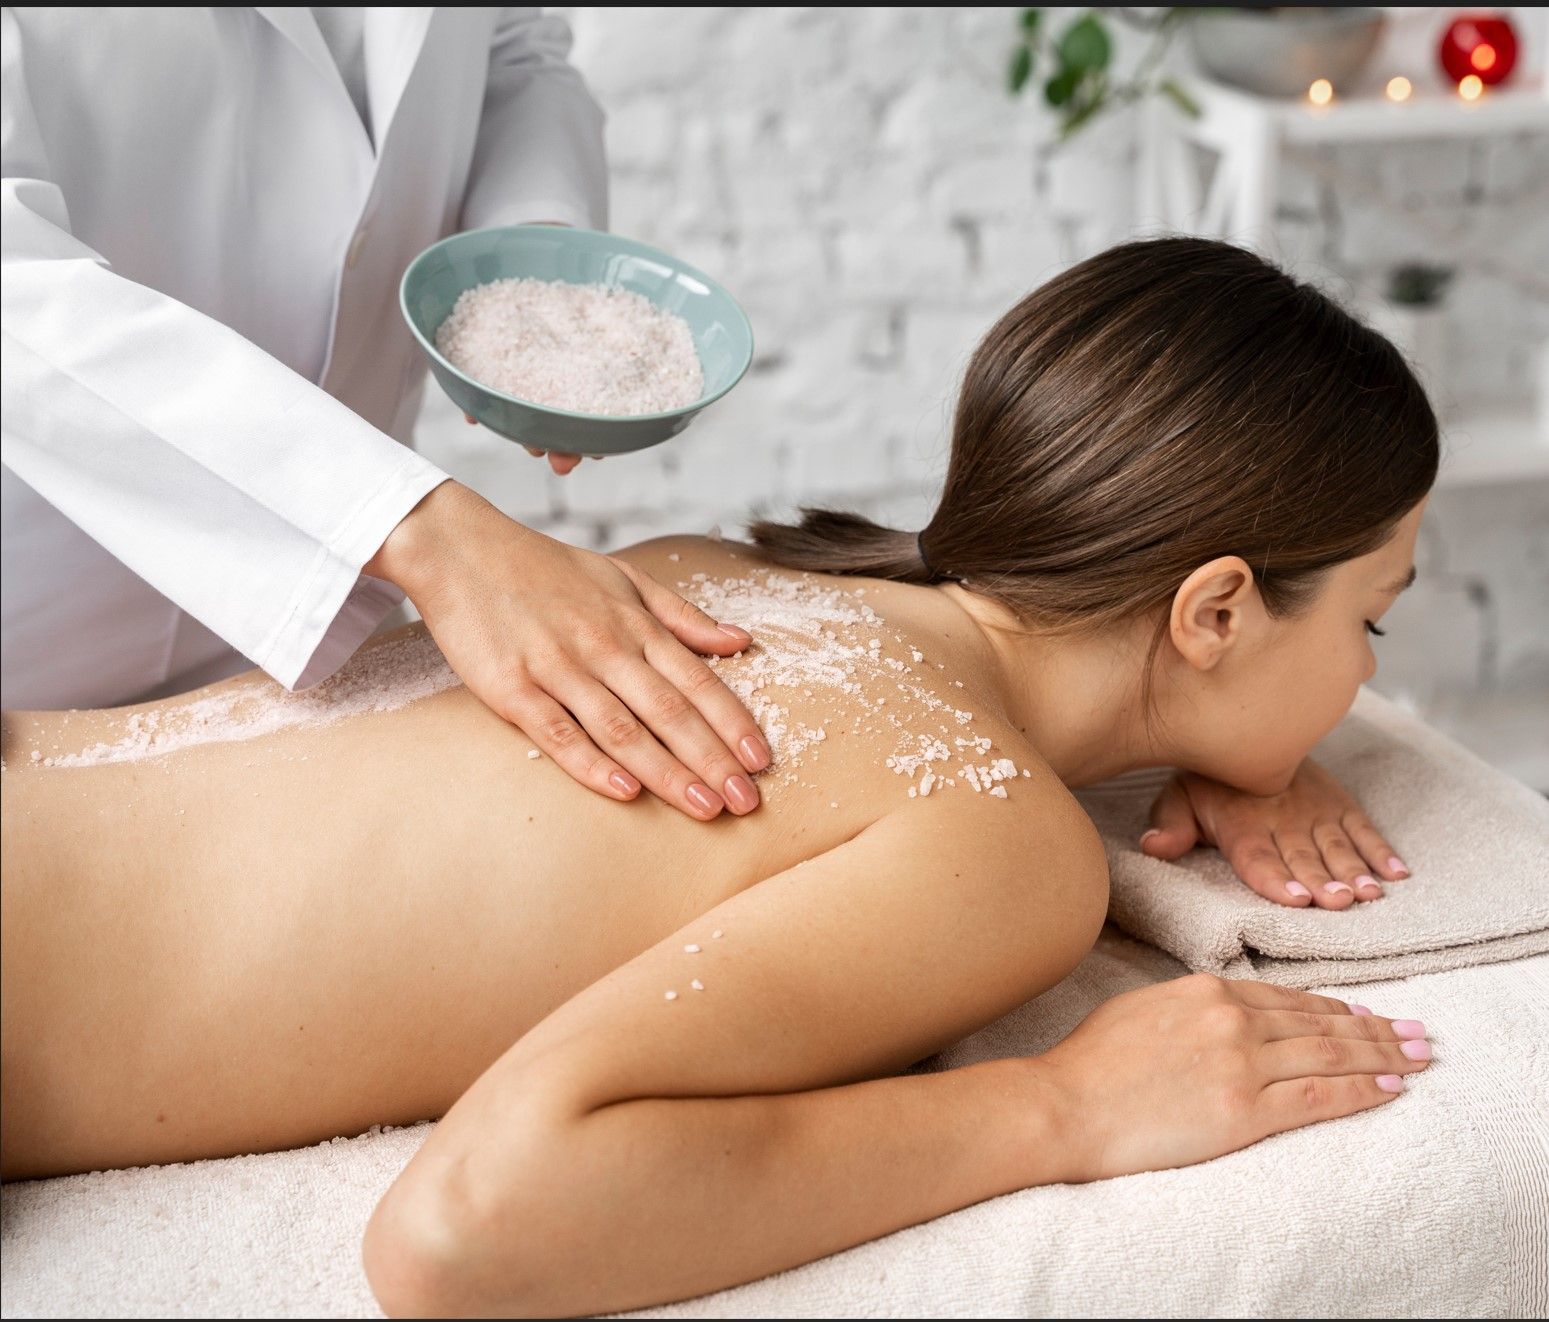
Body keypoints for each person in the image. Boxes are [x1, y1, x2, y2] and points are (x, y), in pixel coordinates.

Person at [0, 238, 1435, 1316]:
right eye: (1373, 616)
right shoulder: (1001, 841)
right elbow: (464, 1229)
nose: (1368, 680)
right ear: (1214, 609)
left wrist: (1231, 736)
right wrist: (1070, 1108)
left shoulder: (722, 575)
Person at [0, 6, 774, 823]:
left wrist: (525, 259)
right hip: (44, 621)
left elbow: (514, 50)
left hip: (334, 625)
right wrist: (413, 528)